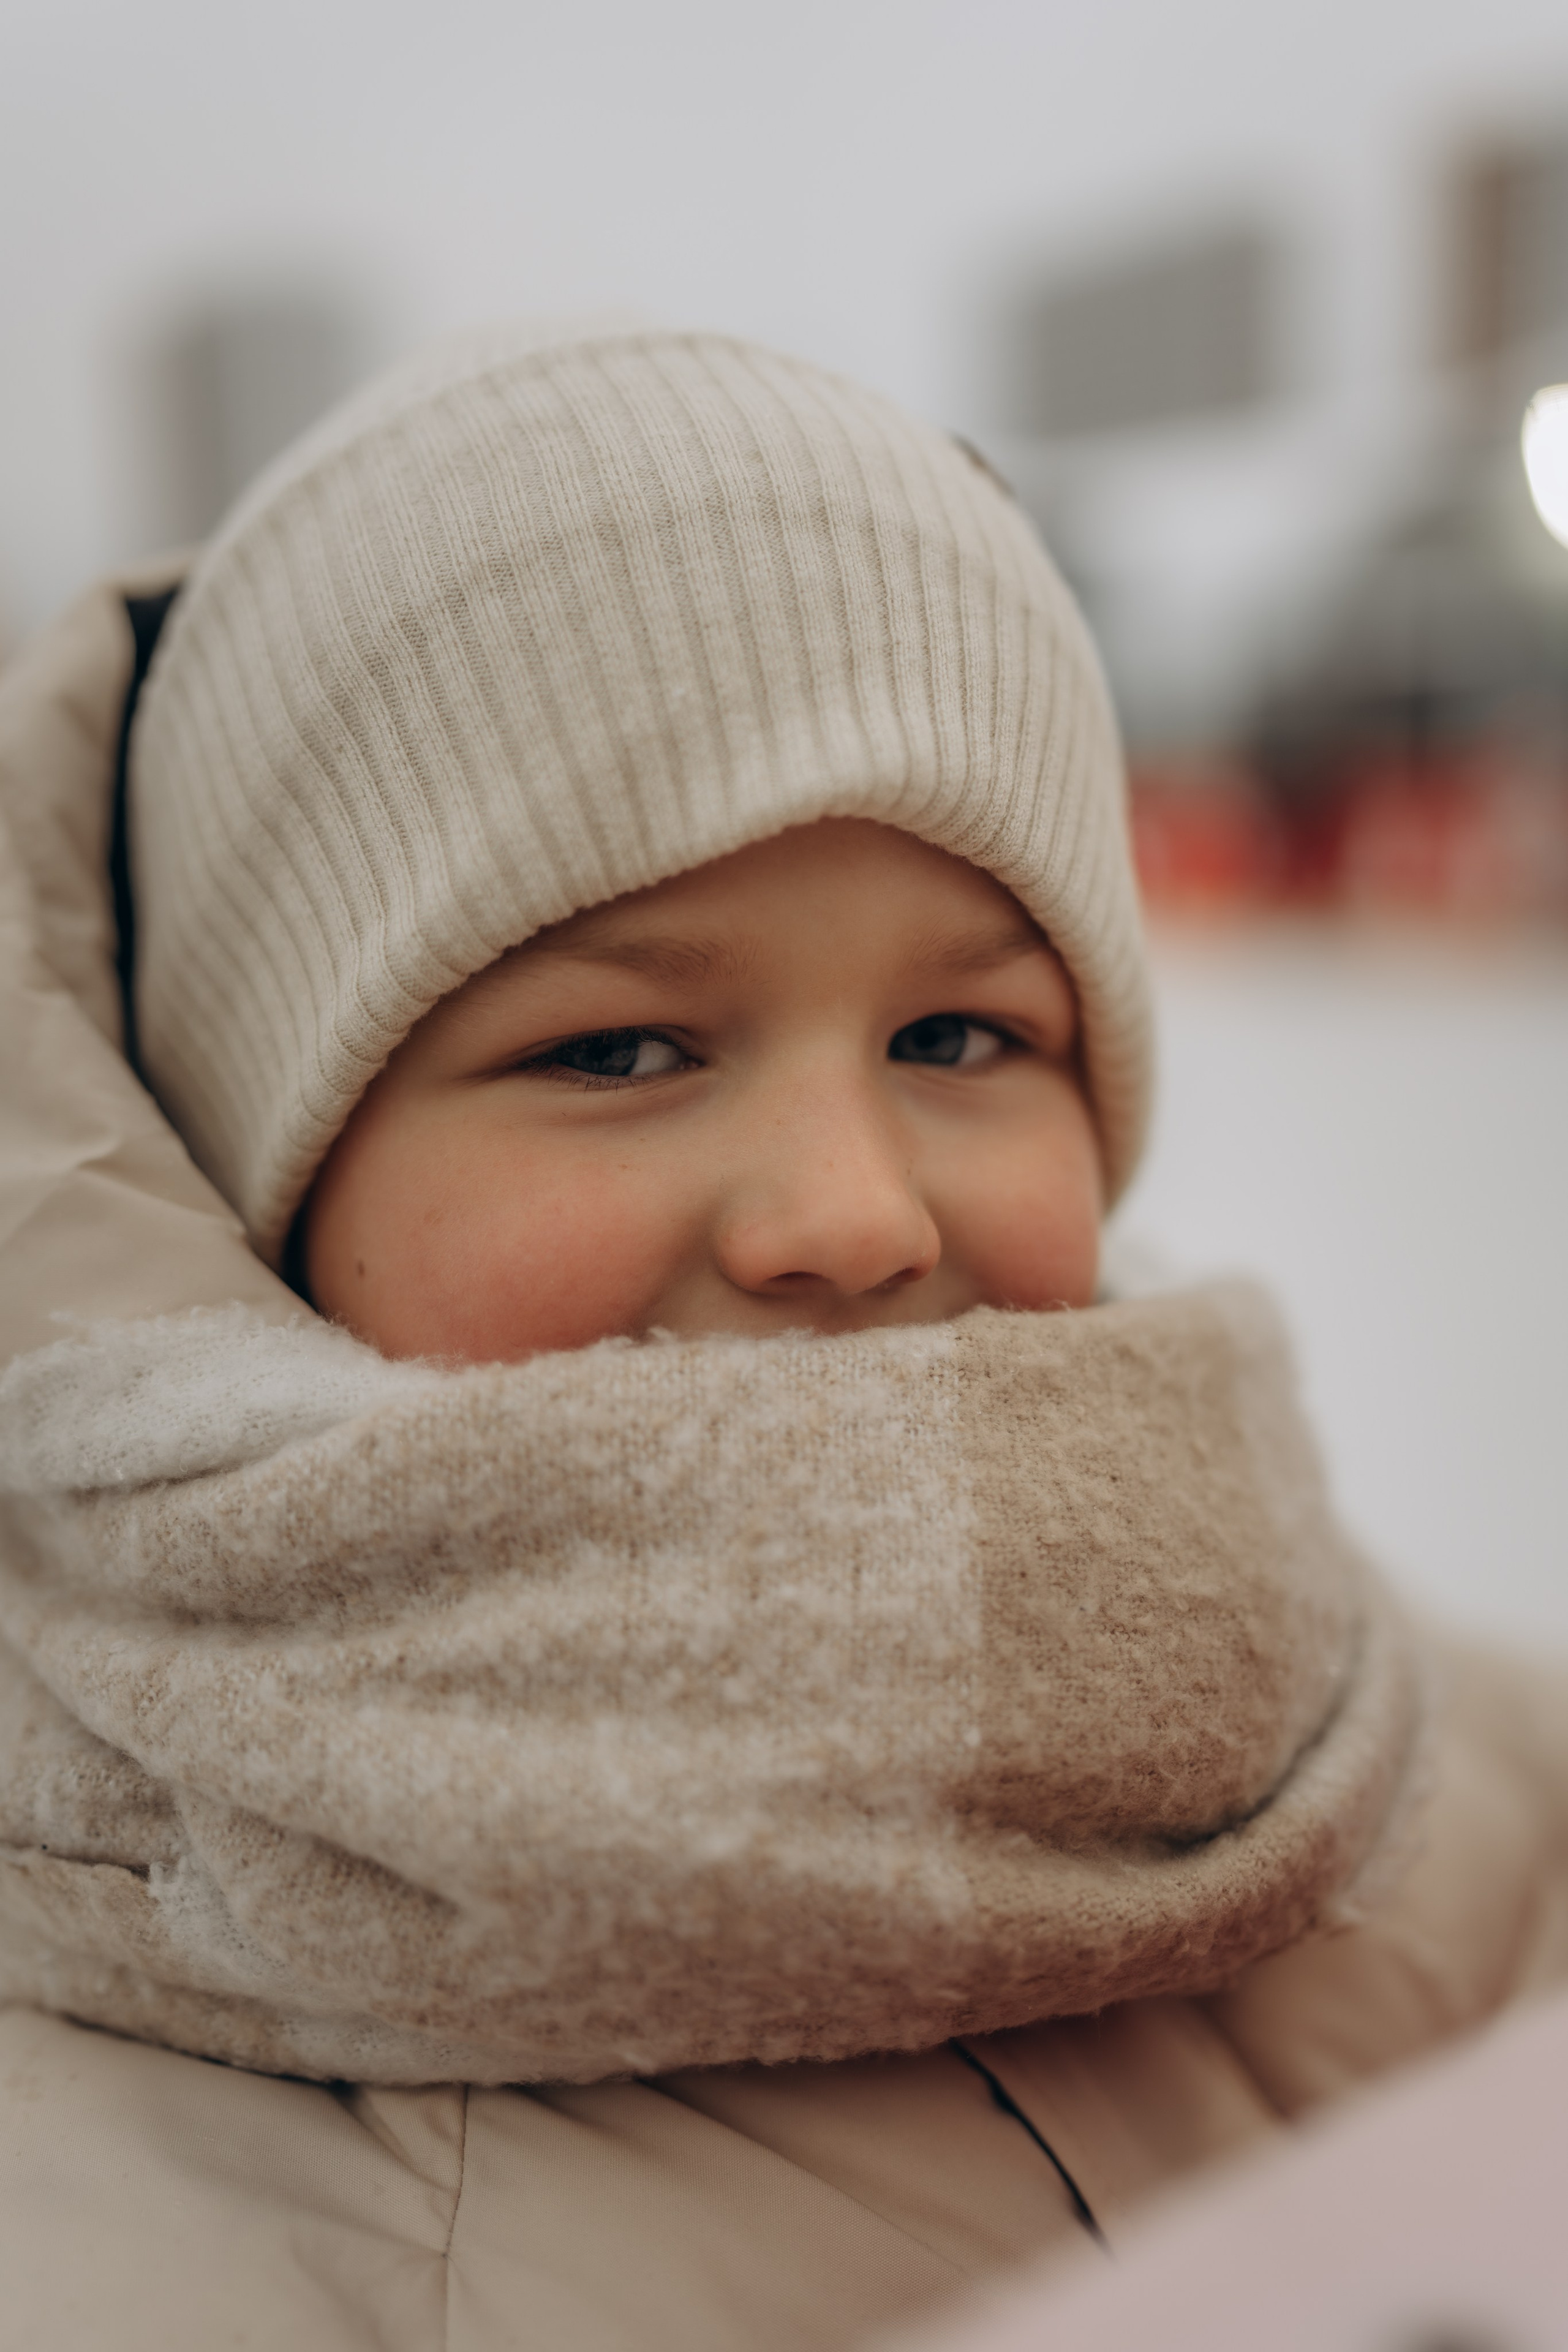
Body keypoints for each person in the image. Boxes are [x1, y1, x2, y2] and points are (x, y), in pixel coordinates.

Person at [1, 322, 1564, 2352]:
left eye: (958, 1036)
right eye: (619, 1046)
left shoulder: (1471, 1806)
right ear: (253, 1162)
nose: (849, 1214)